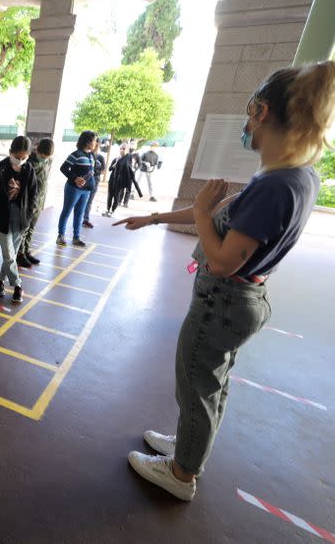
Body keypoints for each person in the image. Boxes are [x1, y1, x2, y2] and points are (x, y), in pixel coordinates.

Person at [115, 60, 335, 501]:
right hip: (243, 300)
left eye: (251, 110)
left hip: (224, 300)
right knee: (211, 384)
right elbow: (218, 214)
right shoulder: (296, 176)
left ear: (263, 112)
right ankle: (190, 451)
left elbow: (221, 261)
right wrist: (156, 216)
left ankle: (180, 475)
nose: (247, 122)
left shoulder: (276, 186)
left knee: (195, 385)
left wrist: (197, 212)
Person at [0, 136, 38, 303]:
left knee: (11, 255)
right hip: (3, 217)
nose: (20, 161)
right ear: (10, 153)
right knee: (9, 254)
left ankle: (0, 281)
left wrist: (28, 216)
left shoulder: (29, 170)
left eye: (24, 158)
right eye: (17, 157)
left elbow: (33, 196)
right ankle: (17, 285)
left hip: (21, 218)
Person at [17, 137, 54, 267]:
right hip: (29, 200)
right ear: (37, 150)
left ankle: (26, 251)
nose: (44, 158)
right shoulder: (29, 163)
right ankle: (19, 254)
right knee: (24, 229)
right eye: (42, 156)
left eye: (47, 156)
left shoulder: (49, 161)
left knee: (32, 228)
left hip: (40, 200)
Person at [56, 130, 97, 247]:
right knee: (67, 211)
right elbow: (63, 168)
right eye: (94, 141)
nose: (95, 143)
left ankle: (76, 237)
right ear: (88, 141)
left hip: (86, 191)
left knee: (80, 214)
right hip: (73, 189)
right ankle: (61, 236)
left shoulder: (91, 155)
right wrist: (75, 178)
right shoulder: (76, 154)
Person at [83, 141, 105, 228]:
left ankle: (85, 219)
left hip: (95, 179)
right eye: (94, 144)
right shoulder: (87, 155)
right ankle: (79, 217)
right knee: (82, 199)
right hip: (86, 179)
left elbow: (103, 170)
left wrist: (96, 172)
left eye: (97, 145)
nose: (95, 146)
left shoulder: (100, 157)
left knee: (89, 200)